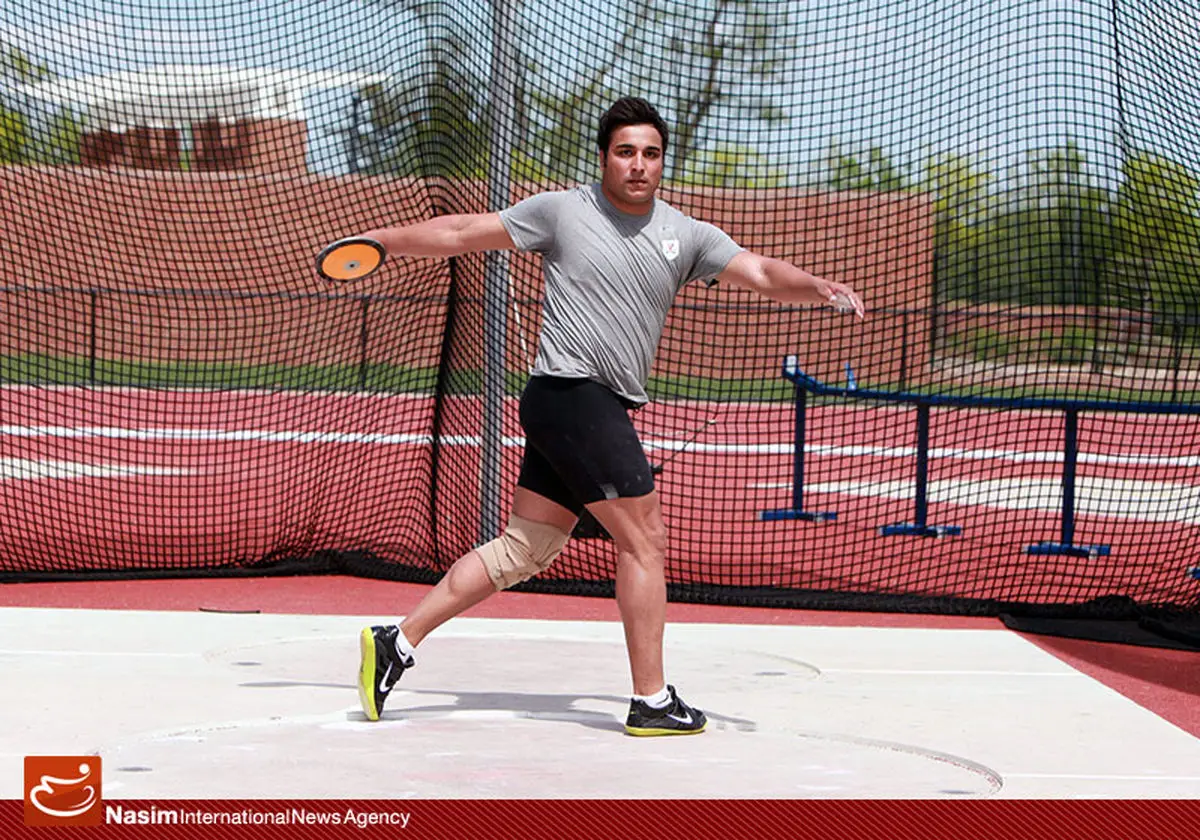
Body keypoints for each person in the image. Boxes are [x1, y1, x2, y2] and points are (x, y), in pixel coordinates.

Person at [352, 97, 864, 736]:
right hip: (572, 394)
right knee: (644, 541)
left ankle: (395, 643)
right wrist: (381, 241)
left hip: (583, 405)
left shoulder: (687, 234)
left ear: (661, 163)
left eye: (650, 154)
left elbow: (759, 270)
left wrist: (815, 284)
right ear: (604, 158)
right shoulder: (563, 211)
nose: (639, 165)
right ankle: (651, 701)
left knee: (525, 548)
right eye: (626, 152)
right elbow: (461, 234)